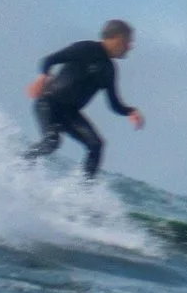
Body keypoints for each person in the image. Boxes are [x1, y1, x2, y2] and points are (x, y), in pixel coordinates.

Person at [24, 20, 143, 178]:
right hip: (49, 103)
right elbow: (49, 60)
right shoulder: (86, 48)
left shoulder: (109, 70)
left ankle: (83, 190)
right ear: (118, 39)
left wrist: (130, 111)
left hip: (70, 113)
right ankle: (21, 163)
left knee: (96, 145)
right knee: (51, 141)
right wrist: (42, 78)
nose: (129, 47)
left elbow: (114, 104)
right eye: (128, 42)